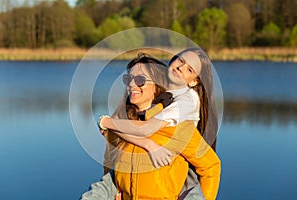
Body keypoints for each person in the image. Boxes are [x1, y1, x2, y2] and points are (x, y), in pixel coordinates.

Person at [82, 49, 220, 199]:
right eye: (129, 79)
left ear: (157, 85)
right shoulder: (121, 123)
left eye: (140, 80)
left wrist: (104, 122)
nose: (132, 85)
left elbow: (211, 167)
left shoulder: (177, 126)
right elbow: (110, 166)